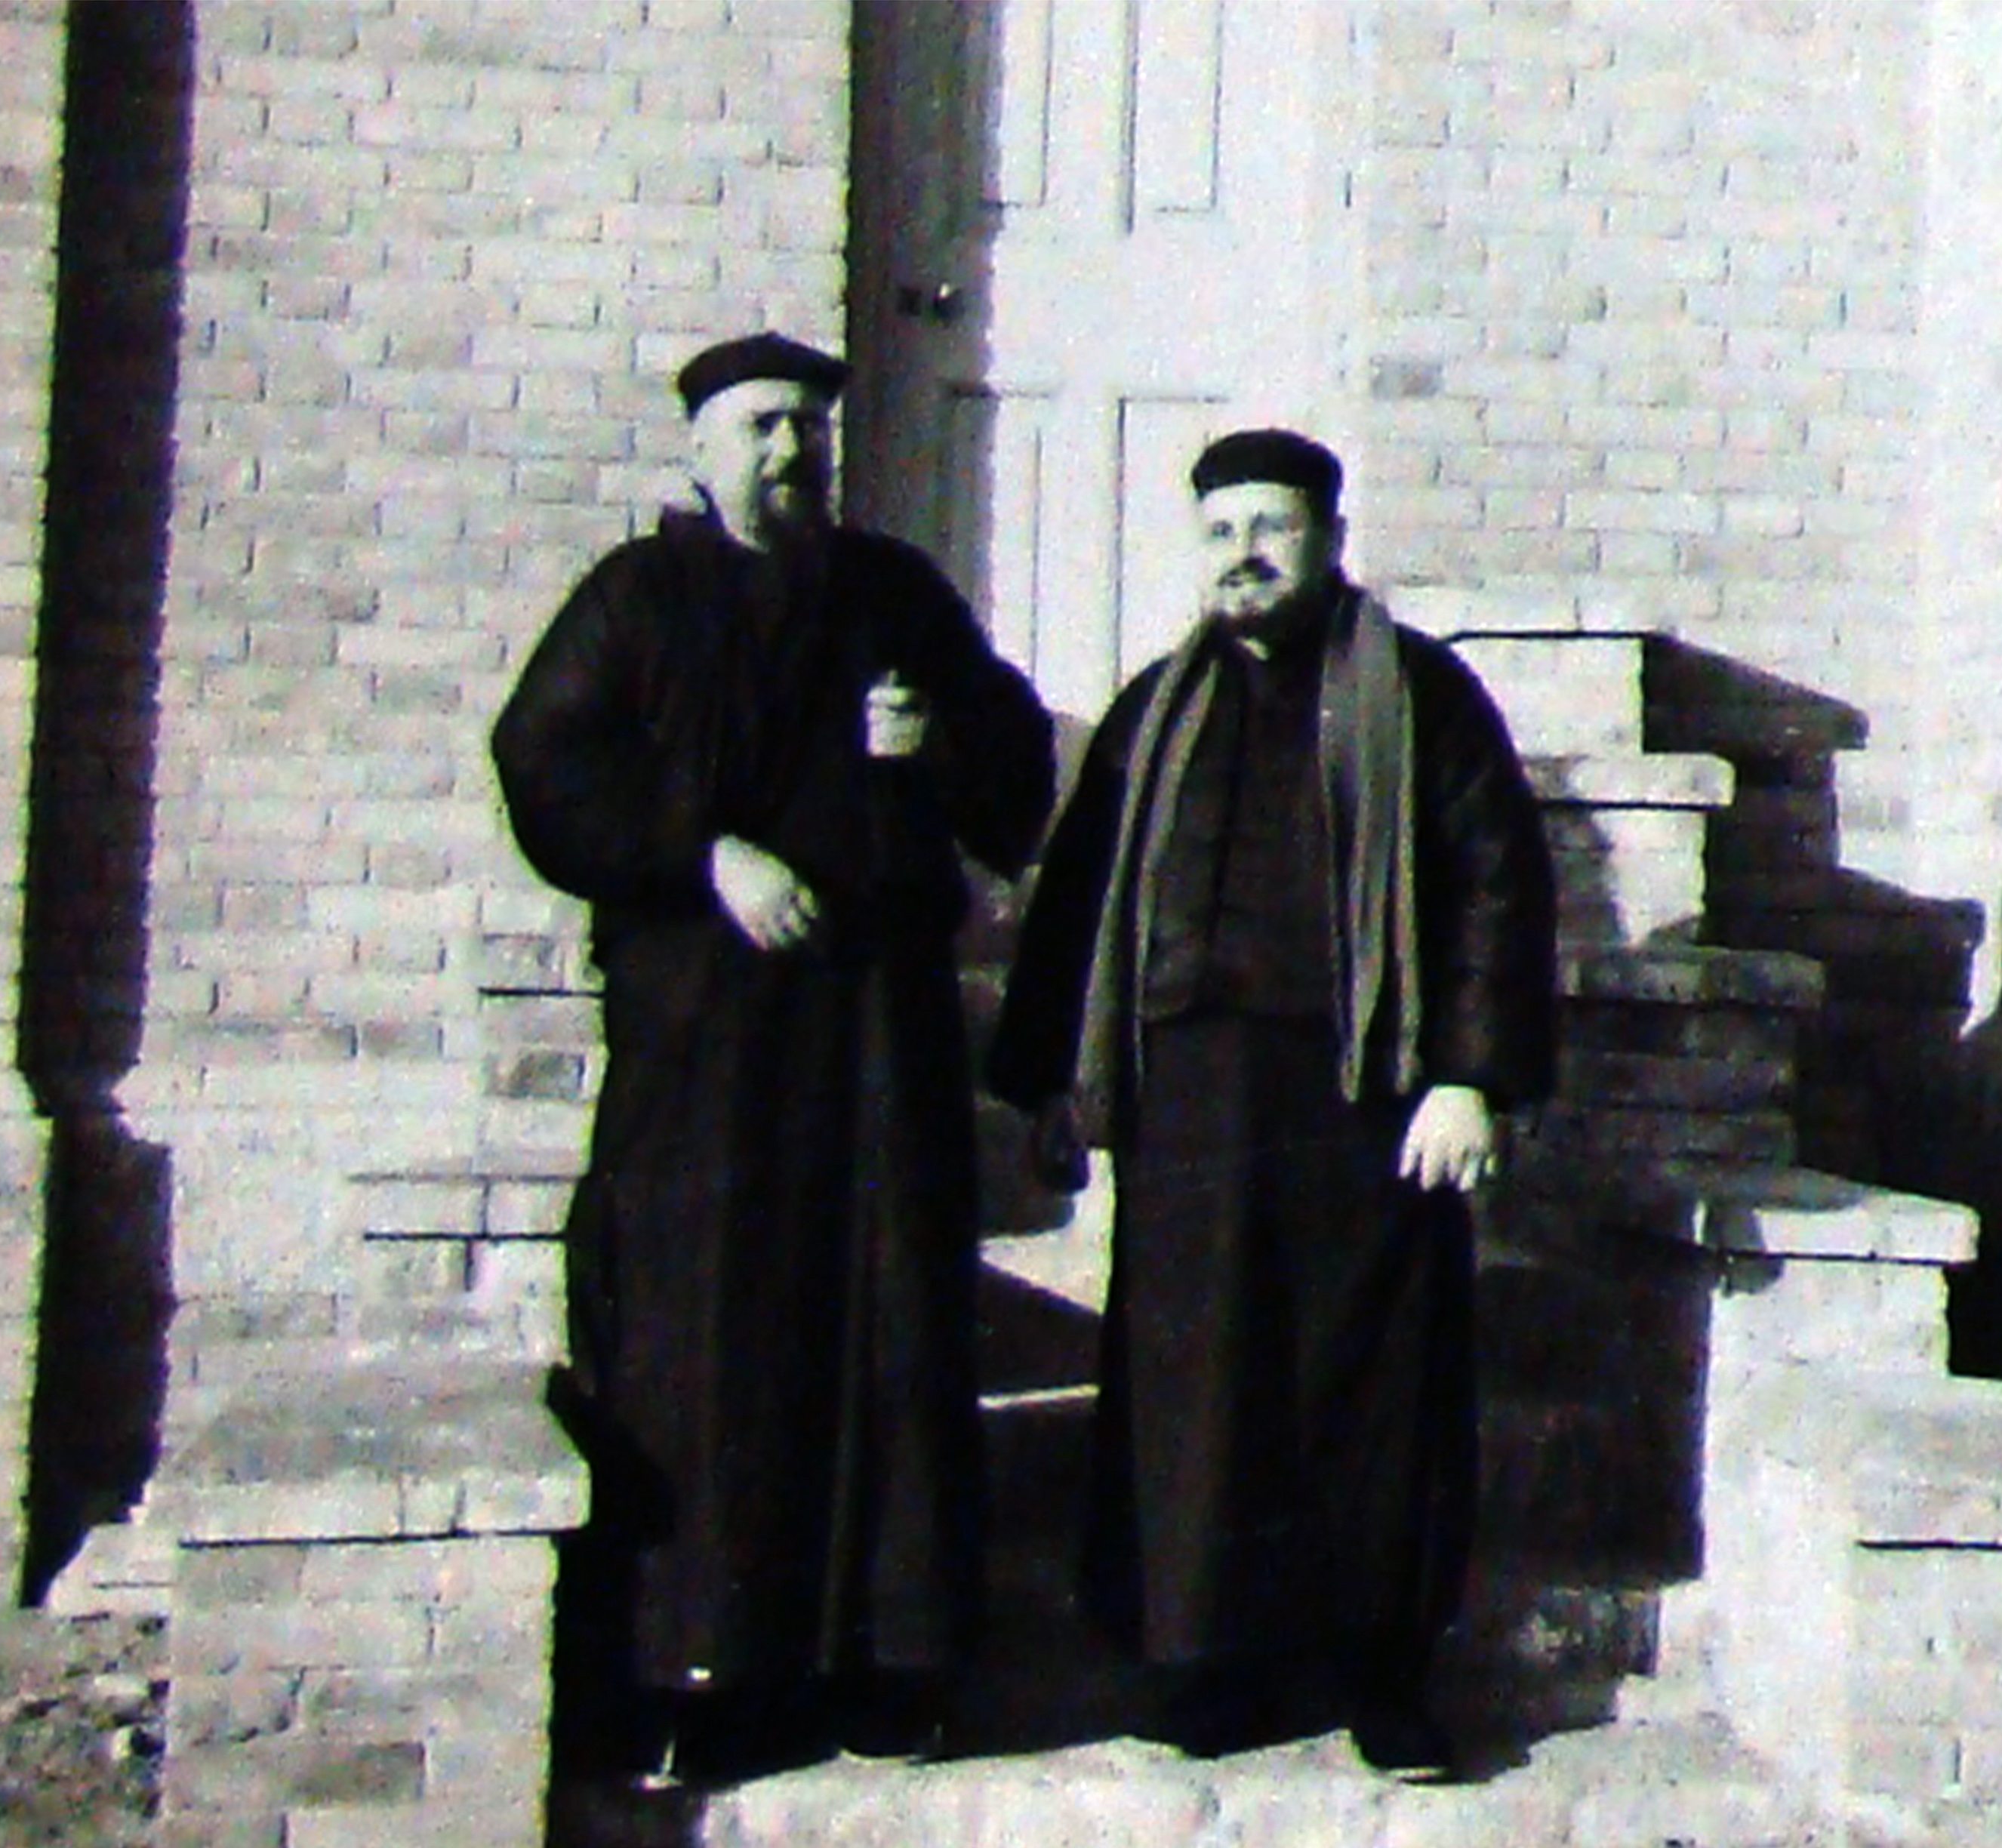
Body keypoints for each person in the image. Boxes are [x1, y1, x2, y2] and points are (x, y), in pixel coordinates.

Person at [491, 331, 1056, 1779]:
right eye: (758, 426)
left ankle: (891, 1668)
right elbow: (543, 762)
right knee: (702, 1340)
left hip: (873, 1040)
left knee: (886, 1330)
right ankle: (701, 1682)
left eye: (806, 425)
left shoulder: (893, 594)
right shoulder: (636, 599)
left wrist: (932, 741)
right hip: (705, 1046)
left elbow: (1013, 772)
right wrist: (705, 855)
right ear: (698, 450)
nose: (790, 451)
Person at [987, 427, 1557, 1777]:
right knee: (1195, 1391)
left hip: (1365, 1099)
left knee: (1370, 1389)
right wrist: (1055, 1085)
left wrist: (1470, 1076)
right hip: (1188, 1103)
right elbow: (1079, 896)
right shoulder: (1154, 709)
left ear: (1330, 539)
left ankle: (1380, 1678)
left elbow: (1494, 881)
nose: (1243, 553)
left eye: (1272, 527)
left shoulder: (1417, 696)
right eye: (1221, 530)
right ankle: (1207, 1662)